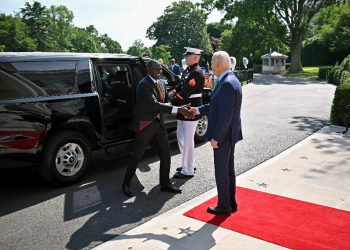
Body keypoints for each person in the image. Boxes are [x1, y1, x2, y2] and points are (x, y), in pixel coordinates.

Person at [122, 59, 194, 197]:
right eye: (157, 70)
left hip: (158, 123)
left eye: (161, 69)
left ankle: (165, 183)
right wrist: (178, 110)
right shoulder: (143, 85)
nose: (160, 72)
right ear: (148, 70)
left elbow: (165, 101)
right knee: (137, 155)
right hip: (145, 124)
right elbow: (154, 104)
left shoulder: (161, 82)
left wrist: (180, 105)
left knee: (165, 153)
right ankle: (126, 183)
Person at [190, 51, 243, 216]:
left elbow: (224, 116)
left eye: (212, 63)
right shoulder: (231, 79)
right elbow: (216, 106)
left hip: (224, 136)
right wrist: (197, 109)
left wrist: (216, 138)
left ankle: (223, 206)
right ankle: (231, 202)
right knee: (228, 170)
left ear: (219, 64)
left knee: (222, 171)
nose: (211, 67)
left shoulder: (226, 83)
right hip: (230, 134)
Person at [170, 47, 205, 179]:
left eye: (188, 56)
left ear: (195, 57)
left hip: (191, 109)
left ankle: (188, 169)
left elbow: (185, 93)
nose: (185, 58)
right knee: (181, 137)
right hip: (183, 108)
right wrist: (171, 93)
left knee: (188, 139)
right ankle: (188, 163)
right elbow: (179, 87)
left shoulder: (196, 73)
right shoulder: (188, 71)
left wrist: (171, 98)